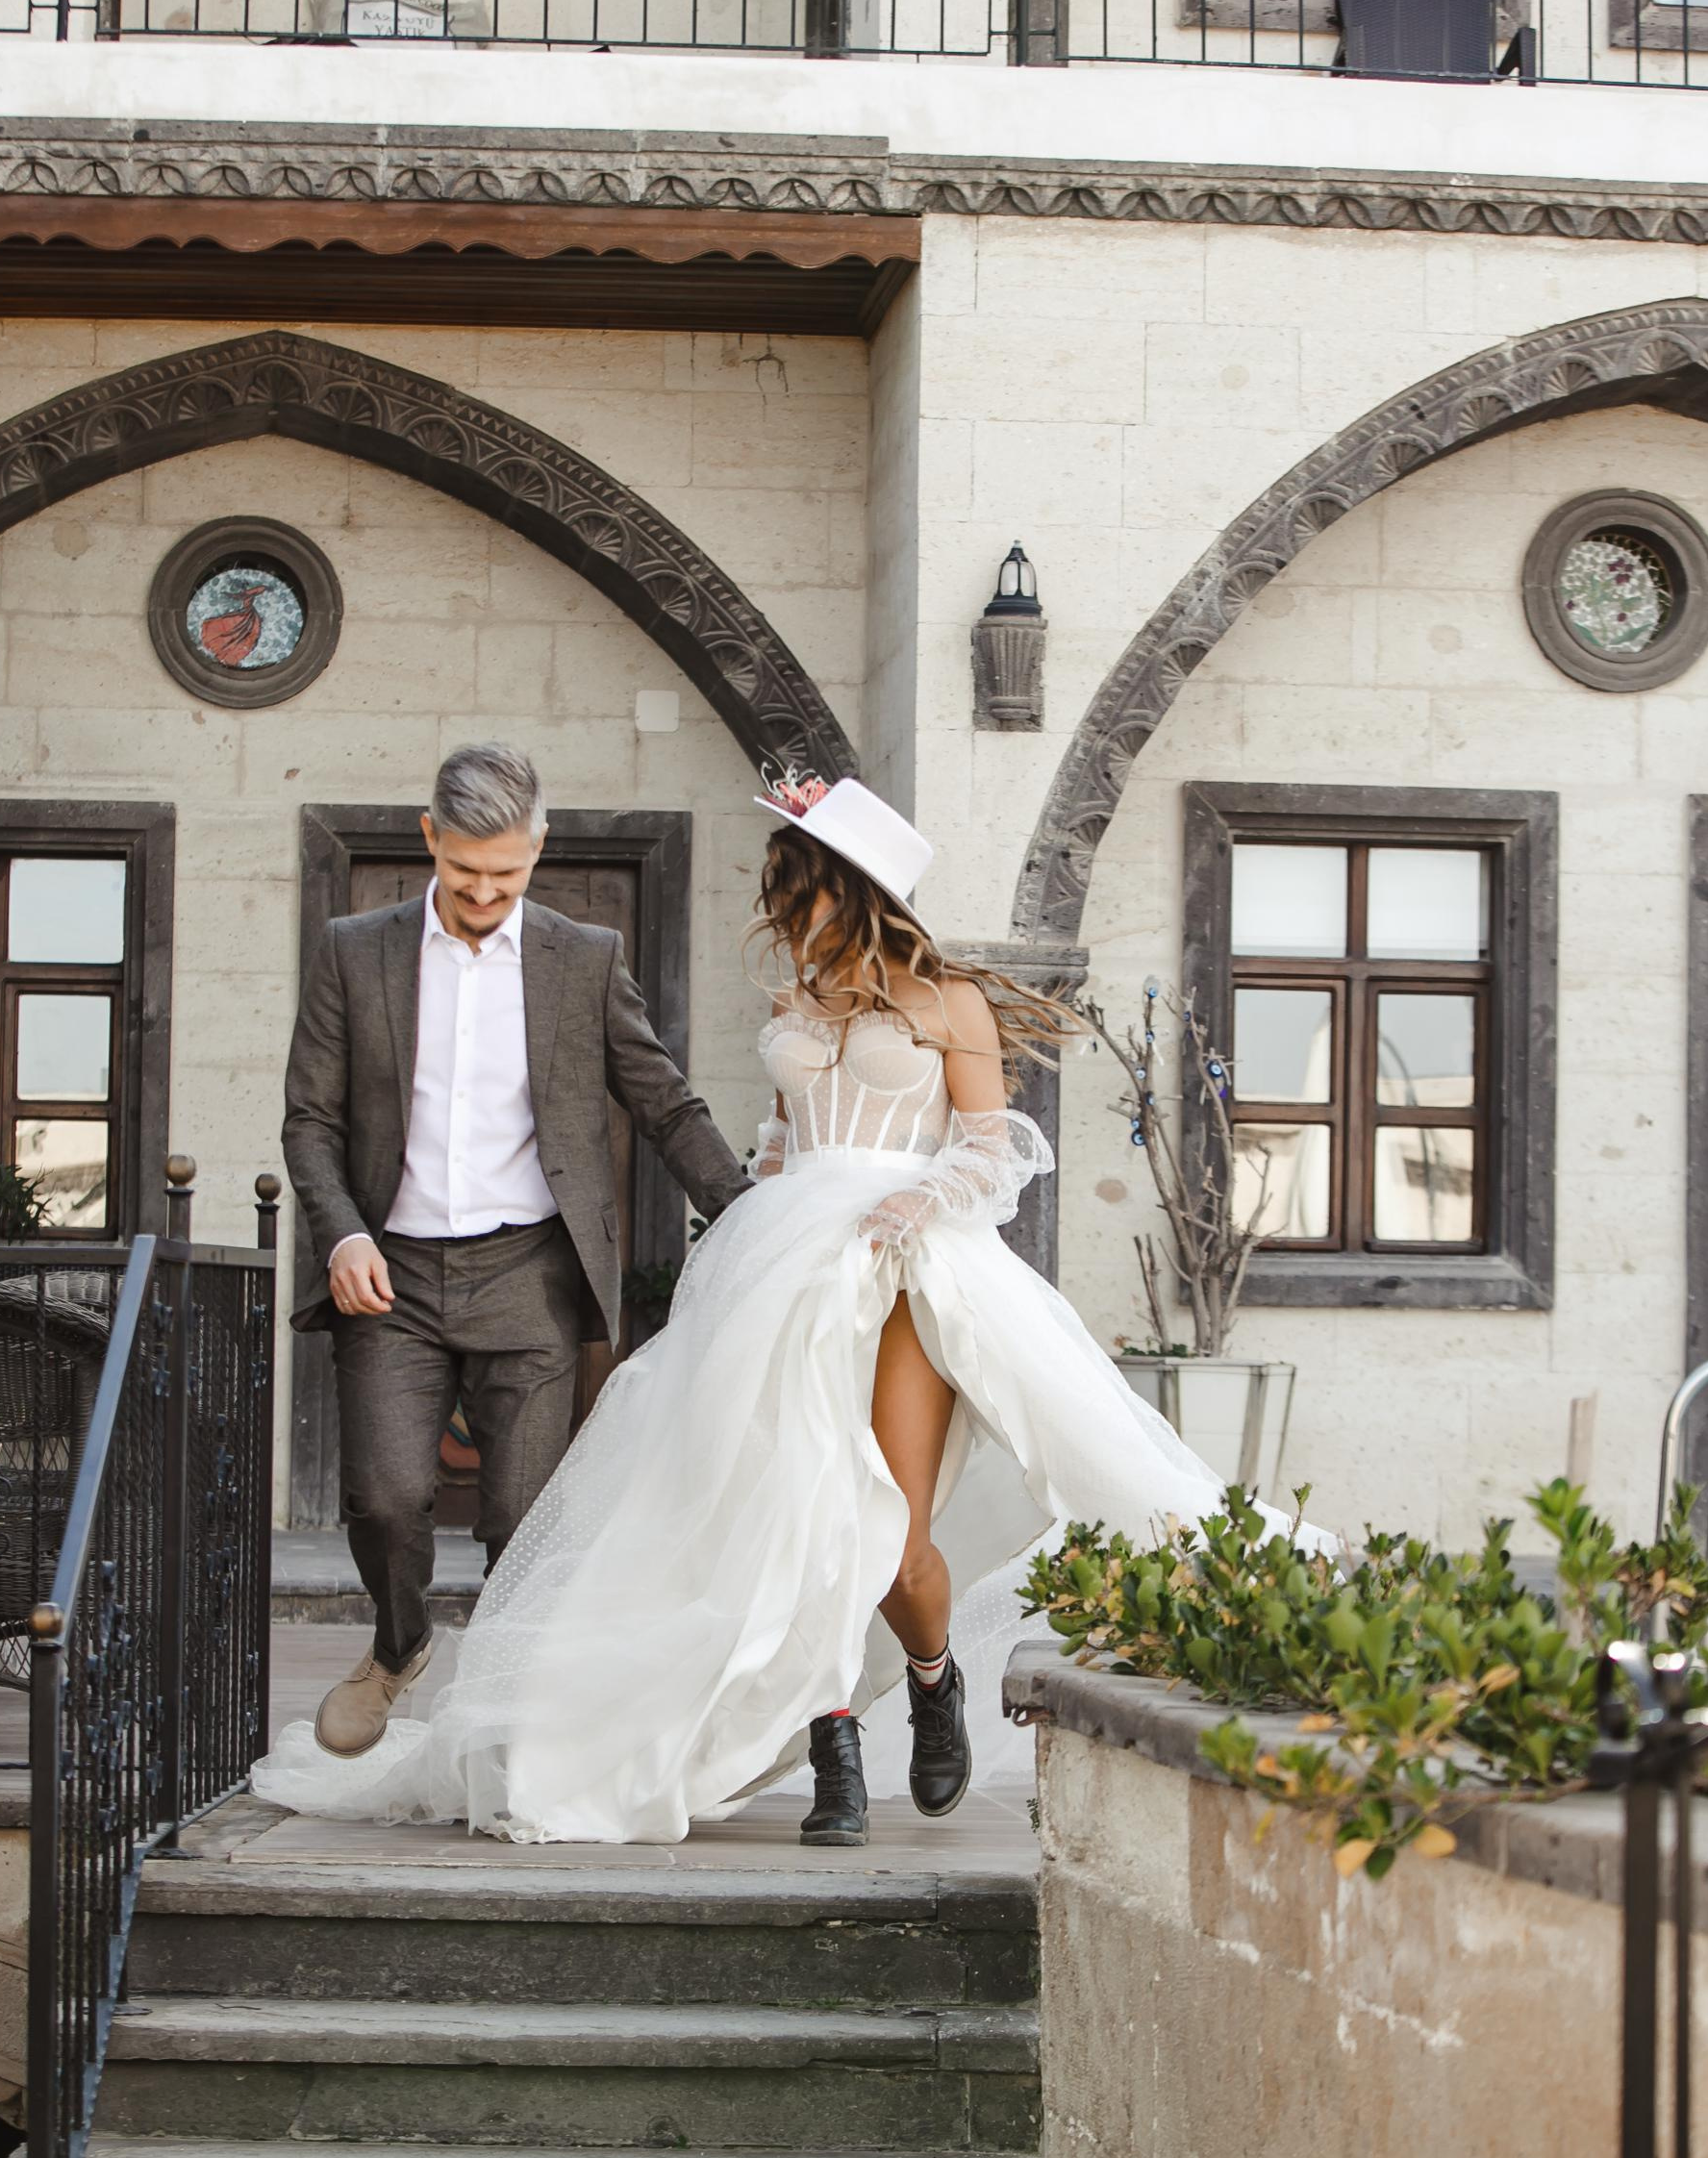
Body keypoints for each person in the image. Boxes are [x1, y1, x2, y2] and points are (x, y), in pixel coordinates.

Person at [254, 767, 1242, 1847]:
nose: (782, 915)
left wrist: (918, 1198)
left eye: (797, 891)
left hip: (907, 1271)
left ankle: (929, 1672)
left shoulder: (948, 1002)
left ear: (852, 892)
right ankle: (834, 1756)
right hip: (791, 1265)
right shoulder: (792, 1006)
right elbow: (776, 1144)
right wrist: (746, 1221)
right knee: (789, 1513)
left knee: (893, 1534)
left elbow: (993, 1148)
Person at [281, 740, 750, 1760]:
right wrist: (343, 1229)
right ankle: (398, 1645)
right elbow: (309, 1123)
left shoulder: (583, 959)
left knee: (520, 1518)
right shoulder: (352, 951)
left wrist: (749, 1213)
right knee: (387, 1495)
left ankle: (503, 1708)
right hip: (390, 1274)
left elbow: (662, 1101)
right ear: (428, 841)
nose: (485, 893)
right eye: (464, 872)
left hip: (528, 1271)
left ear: (537, 847)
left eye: (507, 872)